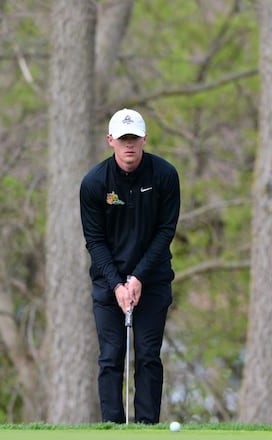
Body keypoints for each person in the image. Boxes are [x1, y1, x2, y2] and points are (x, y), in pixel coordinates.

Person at [79, 108, 180, 424]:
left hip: (153, 280)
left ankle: (147, 427)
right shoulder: (95, 183)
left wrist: (138, 277)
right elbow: (94, 241)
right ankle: (111, 426)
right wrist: (117, 283)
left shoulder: (164, 176)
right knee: (110, 358)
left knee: (148, 357)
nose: (129, 145)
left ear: (144, 139)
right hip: (108, 283)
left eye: (134, 138)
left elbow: (166, 230)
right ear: (110, 140)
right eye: (123, 139)